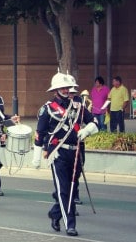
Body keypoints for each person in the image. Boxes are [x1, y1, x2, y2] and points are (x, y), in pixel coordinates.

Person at [37, 72, 98, 236]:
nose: (65, 90)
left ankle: (55, 213)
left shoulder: (78, 106)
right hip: (58, 154)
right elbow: (40, 133)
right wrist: (37, 156)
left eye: (67, 87)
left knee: (71, 187)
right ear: (55, 90)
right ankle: (70, 224)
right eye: (62, 88)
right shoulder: (48, 108)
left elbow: (94, 121)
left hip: (76, 152)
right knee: (64, 190)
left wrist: (87, 130)